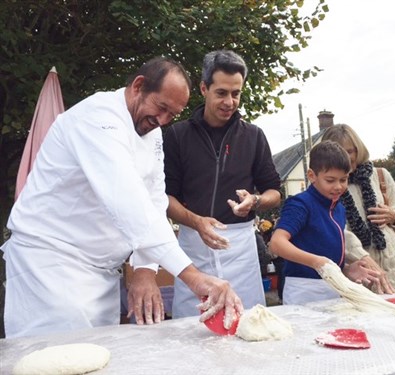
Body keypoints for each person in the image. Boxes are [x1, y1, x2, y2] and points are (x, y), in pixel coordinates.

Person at [1, 57, 242, 338]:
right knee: (54, 356)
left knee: (100, 355)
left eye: (172, 116)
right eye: (161, 108)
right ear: (139, 86)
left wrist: (144, 268)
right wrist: (194, 277)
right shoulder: (98, 117)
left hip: (102, 272)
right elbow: (127, 201)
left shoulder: (152, 133)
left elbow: (154, 202)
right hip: (50, 264)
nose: (162, 121)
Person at [163, 50, 281, 318]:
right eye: (221, 93)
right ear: (204, 88)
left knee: (247, 325)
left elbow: (275, 191)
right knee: (191, 329)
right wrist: (197, 222)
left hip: (241, 249)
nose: (230, 101)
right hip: (194, 249)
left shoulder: (253, 136)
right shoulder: (177, 135)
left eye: (236, 94)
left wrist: (257, 200)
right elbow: (164, 198)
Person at [269, 140, 382, 305]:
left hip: (335, 288)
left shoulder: (339, 208)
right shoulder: (300, 204)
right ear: (312, 176)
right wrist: (317, 262)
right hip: (303, 290)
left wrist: (346, 270)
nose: (338, 186)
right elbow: (277, 243)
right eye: (330, 180)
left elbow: (328, 256)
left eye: (343, 180)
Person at [322, 124, 395, 292]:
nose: (347, 158)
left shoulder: (380, 175)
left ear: (358, 149)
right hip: (360, 272)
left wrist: (394, 216)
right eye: (339, 153)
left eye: (350, 151)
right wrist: (362, 256)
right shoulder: (326, 185)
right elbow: (335, 231)